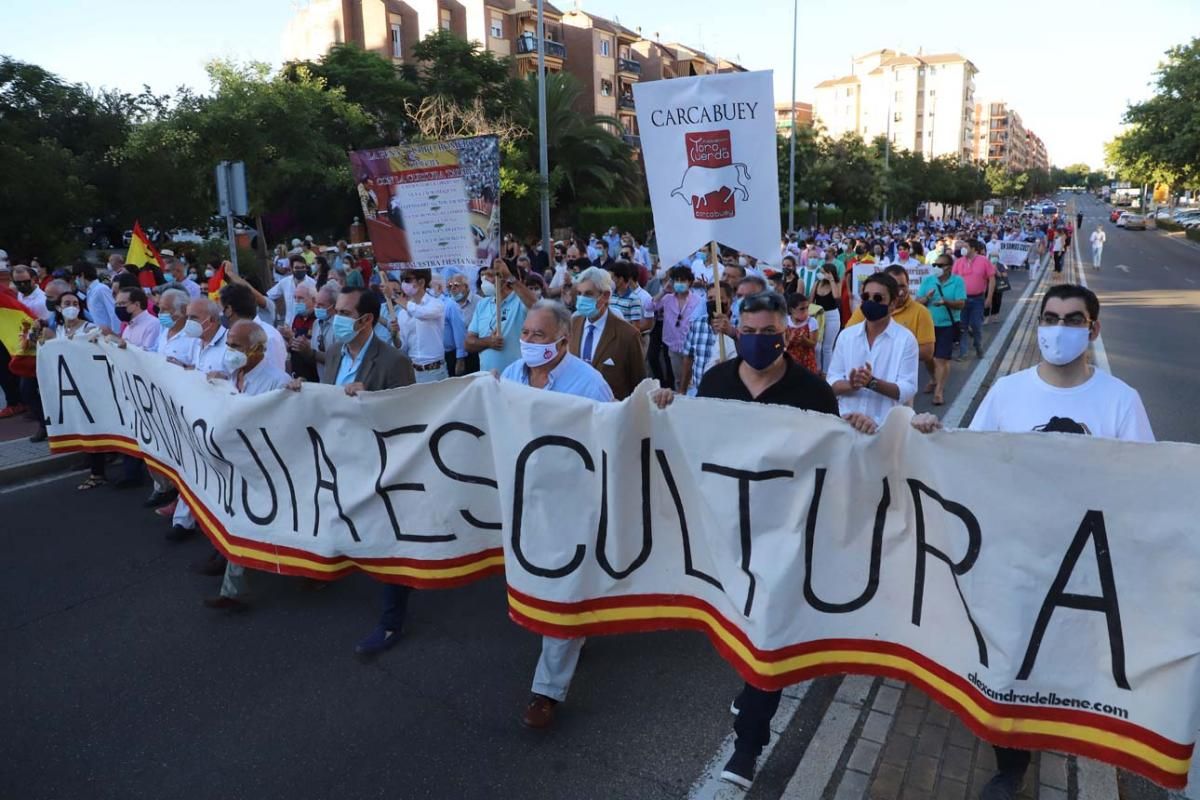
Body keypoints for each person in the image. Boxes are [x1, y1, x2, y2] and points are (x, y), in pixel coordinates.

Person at [909, 284, 1153, 800]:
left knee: (1065, 657)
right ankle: (1011, 761)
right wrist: (933, 438)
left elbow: (1147, 484)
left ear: (1093, 329)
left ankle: (1060, 729)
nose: (1058, 329)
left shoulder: (1119, 401)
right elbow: (971, 459)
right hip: (1013, 557)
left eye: (1072, 319)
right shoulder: (1007, 392)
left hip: (1083, 566)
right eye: (1050, 318)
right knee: (1010, 659)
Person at [650, 291, 841, 790]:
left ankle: (746, 747)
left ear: (787, 333)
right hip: (728, 536)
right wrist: (671, 409)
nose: (759, 341)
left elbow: (838, 461)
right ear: (737, 329)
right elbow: (693, 445)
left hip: (786, 541)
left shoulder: (815, 394)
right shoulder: (715, 382)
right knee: (740, 625)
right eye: (749, 331)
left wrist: (860, 429)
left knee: (769, 639)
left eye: (769, 332)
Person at [502, 300, 614, 730]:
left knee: (563, 589)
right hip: (526, 501)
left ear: (563, 341)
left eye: (538, 336)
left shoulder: (589, 385)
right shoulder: (512, 375)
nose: (527, 342)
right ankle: (577, 625)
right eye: (525, 333)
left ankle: (546, 692)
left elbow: (611, 437)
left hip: (573, 503)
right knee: (544, 583)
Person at [297, 287, 417, 651]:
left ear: (367, 320)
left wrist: (373, 401)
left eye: (346, 313)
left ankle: (391, 622)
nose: (337, 317)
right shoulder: (333, 352)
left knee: (388, 538)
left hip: (380, 464)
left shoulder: (394, 361)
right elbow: (327, 397)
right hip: (340, 456)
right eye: (337, 311)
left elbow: (407, 416)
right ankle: (332, 565)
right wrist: (301, 391)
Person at [201, 320, 294, 611]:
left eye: (236, 346)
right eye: (228, 343)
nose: (229, 350)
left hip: (265, 466)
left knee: (267, 520)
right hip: (234, 462)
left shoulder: (277, 382)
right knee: (242, 518)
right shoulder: (228, 374)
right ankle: (233, 587)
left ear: (257, 350)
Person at [827, 272, 919, 431]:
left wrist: (872, 383)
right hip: (846, 425)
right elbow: (832, 382)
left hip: (883, 429)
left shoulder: (905, 340)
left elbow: (907, 389)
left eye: (878, 298)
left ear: (893, 303)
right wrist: (851, 384)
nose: (870, 302)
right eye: (866, 297)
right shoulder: (847, 336)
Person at [843, 265, 935, 397]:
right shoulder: (866, 309)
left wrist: (890, 352)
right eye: (893, 286)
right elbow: (848, 339)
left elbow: (927, 352)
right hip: (861, 388)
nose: (899, 291)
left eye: (902, 286)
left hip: (898, 387)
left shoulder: (921, 312)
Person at [567, 268, 646, 400]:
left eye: (588, 294)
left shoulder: (628, 335)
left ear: (605, 295)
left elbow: (638, 384)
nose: (581, 299)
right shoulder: (573, 324)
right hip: (577, 408)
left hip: (610, 411)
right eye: (579, 294)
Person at [466, 259, 537, 375]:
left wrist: (510, 277)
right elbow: (468, 343)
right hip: (488, 379)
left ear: (503, 278)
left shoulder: (520, 301)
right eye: (483, 275)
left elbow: (536, 306)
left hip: (515, 380)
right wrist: (488, 342)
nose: (484, 279)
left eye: (489, 275)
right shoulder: (482, 304)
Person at [916, 254, 966, 405]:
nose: (936, 268)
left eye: (940, 265)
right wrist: (927, 297)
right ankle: (933, 378)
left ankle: (939, 390)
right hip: (928, 325)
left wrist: (946, 302)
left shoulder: (957, 281)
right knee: (928, 358)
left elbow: (961, 303)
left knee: (941, 359)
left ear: (949, 267)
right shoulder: (928, 281)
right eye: (935, 265)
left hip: (948, 325)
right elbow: (918, 302)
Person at [652, 266, 705, 387]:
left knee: (692, 380)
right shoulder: (667, 298)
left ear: (690, 282)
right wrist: (664, 291)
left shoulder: (698, 300)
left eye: (683, 281)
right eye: (677, 280)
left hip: (691, 347)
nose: (679, 283)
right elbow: (650, 306)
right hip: (673, 346)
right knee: (678, 379)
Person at [680, 282, 737, 395]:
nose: (715, 302)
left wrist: (731, 332)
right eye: (710, 298)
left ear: (730, 300)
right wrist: (683, 389)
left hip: (727, 393)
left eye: (720, 298)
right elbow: (688, 359)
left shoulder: (739, 327)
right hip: (699, 390)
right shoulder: (697, 324)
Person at [392, 267, 447, 382]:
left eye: (407, 280)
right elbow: (403, 347)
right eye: (402, 280)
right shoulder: (402, 313)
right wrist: (394, 335)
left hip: (435, 371)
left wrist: (395, 297)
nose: (403, 284)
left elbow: (422, 313)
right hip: (413, 372)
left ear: (421, 282)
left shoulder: (436, 304)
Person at [219, 283, 286, 372]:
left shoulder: (268, 337)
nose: (219, 314)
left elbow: (275, 378)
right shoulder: (229, 334)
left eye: (220, 309)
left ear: (228, 310)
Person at [952, 240, 995, 361]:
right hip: (961, 300)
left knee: (976, 324)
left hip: (978, 299)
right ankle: (963, 352)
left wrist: (989, 297)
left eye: (965, 246)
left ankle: (978, 344)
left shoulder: (984, 261)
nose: (962, 248)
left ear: (973, 248)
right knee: (962, 326)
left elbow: (991, 278)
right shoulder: (959, 262)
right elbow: (953, 279)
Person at [446, 270, 480, 374]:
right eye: (450, 286)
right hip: (453, 353)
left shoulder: (480, 302)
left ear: (466, 286)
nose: (453, 288)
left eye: (456, 285)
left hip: (474, 351)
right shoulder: (448, 303)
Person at [812, 263, 842, 375]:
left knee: (827, 347)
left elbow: (836, 296)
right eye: (821, 271)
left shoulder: (836, 283)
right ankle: (817, 369)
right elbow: (811, 300)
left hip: (832, 317)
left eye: (823, 272)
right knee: (817, 346)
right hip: (818, 315)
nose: (821, 274)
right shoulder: (817, 283)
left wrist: (831, 280)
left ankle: (826, 373)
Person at [784, 292, 819, 373]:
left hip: (807, 362)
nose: (806, 311)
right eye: (802, 309)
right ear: (791, 310)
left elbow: (813, 343)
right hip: (790, 363)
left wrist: (804, 340)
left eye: (807, 308)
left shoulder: (811, 321)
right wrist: (789, 340)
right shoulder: (785, 321)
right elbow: (779, 345)